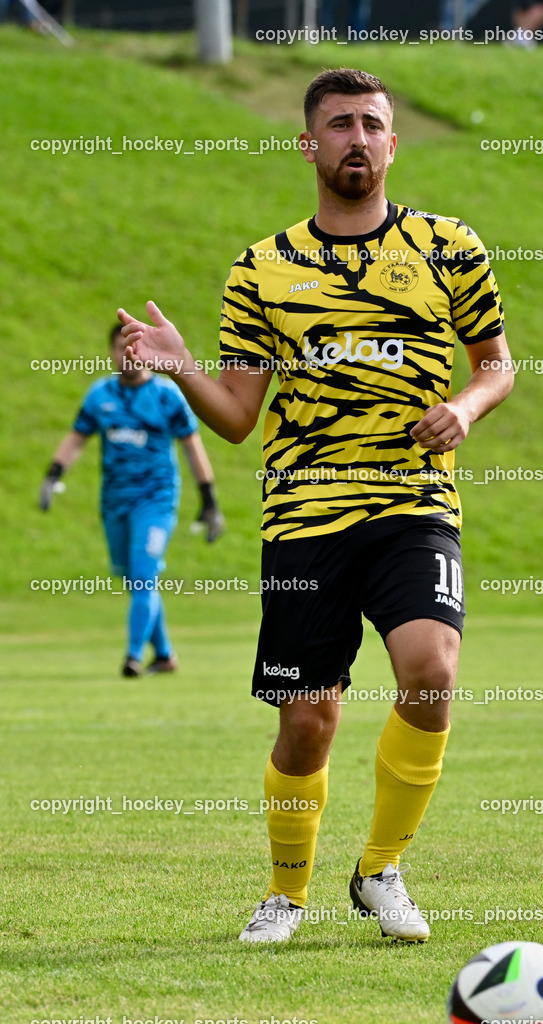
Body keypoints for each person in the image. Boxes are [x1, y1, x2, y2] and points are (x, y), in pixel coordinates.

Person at [118, 67, 514, 944]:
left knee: (432, 671)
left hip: (412, 504)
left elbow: (495, 362)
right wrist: (182, 364)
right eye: (339, 125)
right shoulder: (262, 268)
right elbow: (234, 419)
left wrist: (466, 408)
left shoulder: (450, 245)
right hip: (303, 520)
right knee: (308, 718)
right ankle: (285, 894)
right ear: (310, 144)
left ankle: (381, 871)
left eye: (372, 124)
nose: (357, 139)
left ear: (392, 143)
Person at [39, 323, 225, 677]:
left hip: (155, 499)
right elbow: (76, 439)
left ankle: (133, 657)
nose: (127, 354)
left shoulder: (167, 396)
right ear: (111, 351)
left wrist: (209, 500)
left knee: (143, 575)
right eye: (119, 347)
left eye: (133, 347)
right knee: (137, 580)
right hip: (114, 502)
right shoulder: (100, 395)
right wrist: (53, 475)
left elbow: (193, 447)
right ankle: (166, 655)